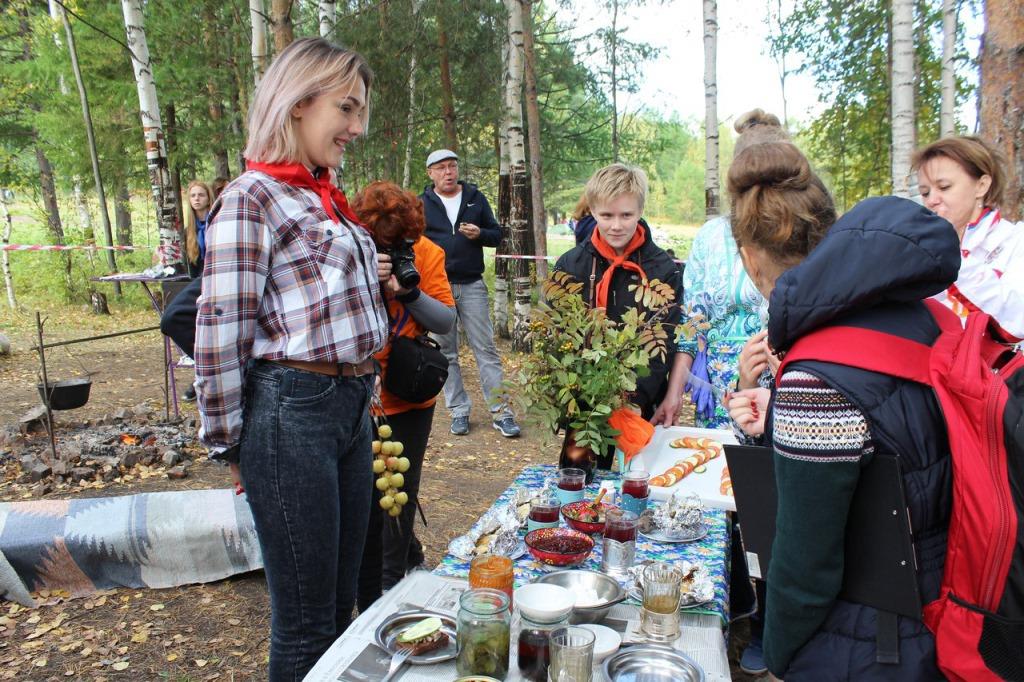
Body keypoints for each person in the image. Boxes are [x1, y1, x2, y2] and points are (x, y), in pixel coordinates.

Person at [194, 38, 389, 681]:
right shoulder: (250, 197)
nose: (356, 128)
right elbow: (221, 328)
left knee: (340, 609)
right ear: (299, 103)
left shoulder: (320, 196)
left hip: (349, 410)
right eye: (347, 108)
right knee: (307, 623)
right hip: (291, 413)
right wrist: (231, 446)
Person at [727, 142, 958, 680]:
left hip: (871, 642)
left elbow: (806, 566)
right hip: (942, 607)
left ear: (748, 255)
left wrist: (780, 652)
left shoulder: (816, 379)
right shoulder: (920, 312)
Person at [348, 181, 456, 600]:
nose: (396, 249)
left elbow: (445, 321)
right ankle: (391, 571)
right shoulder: (350, 254)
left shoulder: (427, 253)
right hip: (358, 389)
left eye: (404, 241)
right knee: (366, 497)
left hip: (409, 395)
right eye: (386, 244)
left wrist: (407, 291)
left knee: (399, 495)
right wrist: (363, 279)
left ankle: (390, 590)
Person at [653, 109, 789, 432]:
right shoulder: (711, 237)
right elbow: (691, 326)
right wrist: (674, 395)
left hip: (782, 395)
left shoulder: (797, 237)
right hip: (719, 398)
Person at [553, 163, 681, 443]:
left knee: (638, 480)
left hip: (641, 402)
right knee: (580, 474)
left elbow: (664, 341)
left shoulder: (662, 269)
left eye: (626, 215)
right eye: (606, 215)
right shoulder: (571, 264)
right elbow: (559, 333)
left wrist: (634, 399)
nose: (616, 225)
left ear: (640, 211)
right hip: (586, 399)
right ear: (592, 211)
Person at [420, 149, 521, 438]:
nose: (448, 172)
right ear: (431, 173)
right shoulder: (421, 203)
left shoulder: (475, 198)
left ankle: (502, 413)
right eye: (441, 168)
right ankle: (458, 411)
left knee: (486, 350)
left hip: (472, 284)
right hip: (437, 288)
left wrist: (480, 234)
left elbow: (497, 234)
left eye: (452, 166)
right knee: (445, 353)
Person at [913, 135, 1024, 339]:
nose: (932, 201)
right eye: (925, 192)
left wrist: (952, 258)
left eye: (944, 187)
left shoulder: (1016, 240)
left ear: (981, 186)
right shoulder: (922, 249)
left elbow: (1016, 321)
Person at [184, 180, 213, 279]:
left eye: (201, 195)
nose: (196, 198)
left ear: (209, 199)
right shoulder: (188, 231)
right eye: (193, 196)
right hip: (196, 280)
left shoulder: (216, 226)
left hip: (215, 277)